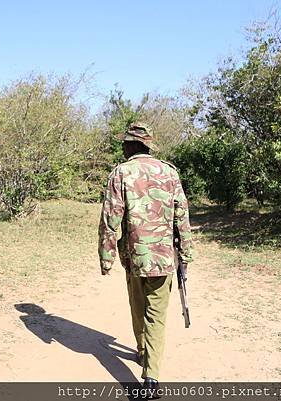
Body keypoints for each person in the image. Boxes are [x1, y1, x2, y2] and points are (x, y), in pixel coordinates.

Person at [97, 122, 193, 389]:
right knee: (156, 314)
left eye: (125, 142)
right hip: (163, 258)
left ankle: (146, 359)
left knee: (138, 308)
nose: (122, 147)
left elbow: (109, 219)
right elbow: (182, 217)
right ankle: (151, 370)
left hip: (135, 257)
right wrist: (185, 253)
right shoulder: (169, 172)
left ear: (133, 145)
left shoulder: (121, 173)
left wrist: (106, 257)